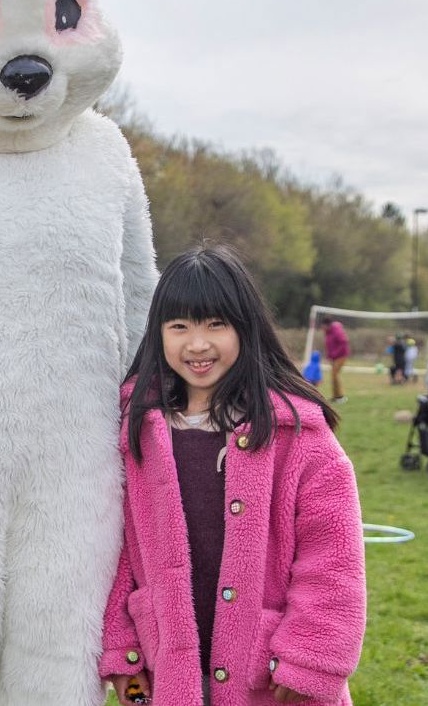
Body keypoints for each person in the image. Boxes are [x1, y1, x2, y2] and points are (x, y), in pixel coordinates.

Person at [102, 245, 365, 705]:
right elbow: (117, 551)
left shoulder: (298, 434)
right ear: (158, 333)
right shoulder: (134, 431)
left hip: (267, 675)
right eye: (179, 326)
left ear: (245, 329)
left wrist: (310, 657)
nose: (197, 344)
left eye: (215, 325)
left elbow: (333, 558)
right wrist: (122, 652)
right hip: (165, 668)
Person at [323, 318, 352, 403]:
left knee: (335, 374)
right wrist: (329, 356)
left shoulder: (337, 330)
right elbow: (329, 345)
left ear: (327, 325)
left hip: (341, 356)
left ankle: (341, 397)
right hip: (334, 357)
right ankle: (335, 396)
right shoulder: (327, 332)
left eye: (323, 326)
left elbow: (344, 342)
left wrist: (335, 354)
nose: (322, 328)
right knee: (333, 375)